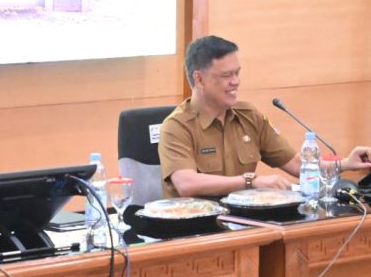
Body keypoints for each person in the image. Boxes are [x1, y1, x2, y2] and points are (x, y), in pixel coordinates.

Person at [158, 35, 371, 199]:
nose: (236, 82)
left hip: (247, 224)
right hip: (195, 231)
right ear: (199, 79)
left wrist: (346, 164)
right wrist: (251, 181)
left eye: (237, 73)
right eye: (226, 76)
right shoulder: (176, 126)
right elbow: (187, 184)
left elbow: (298, 166)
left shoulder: (249, 116)